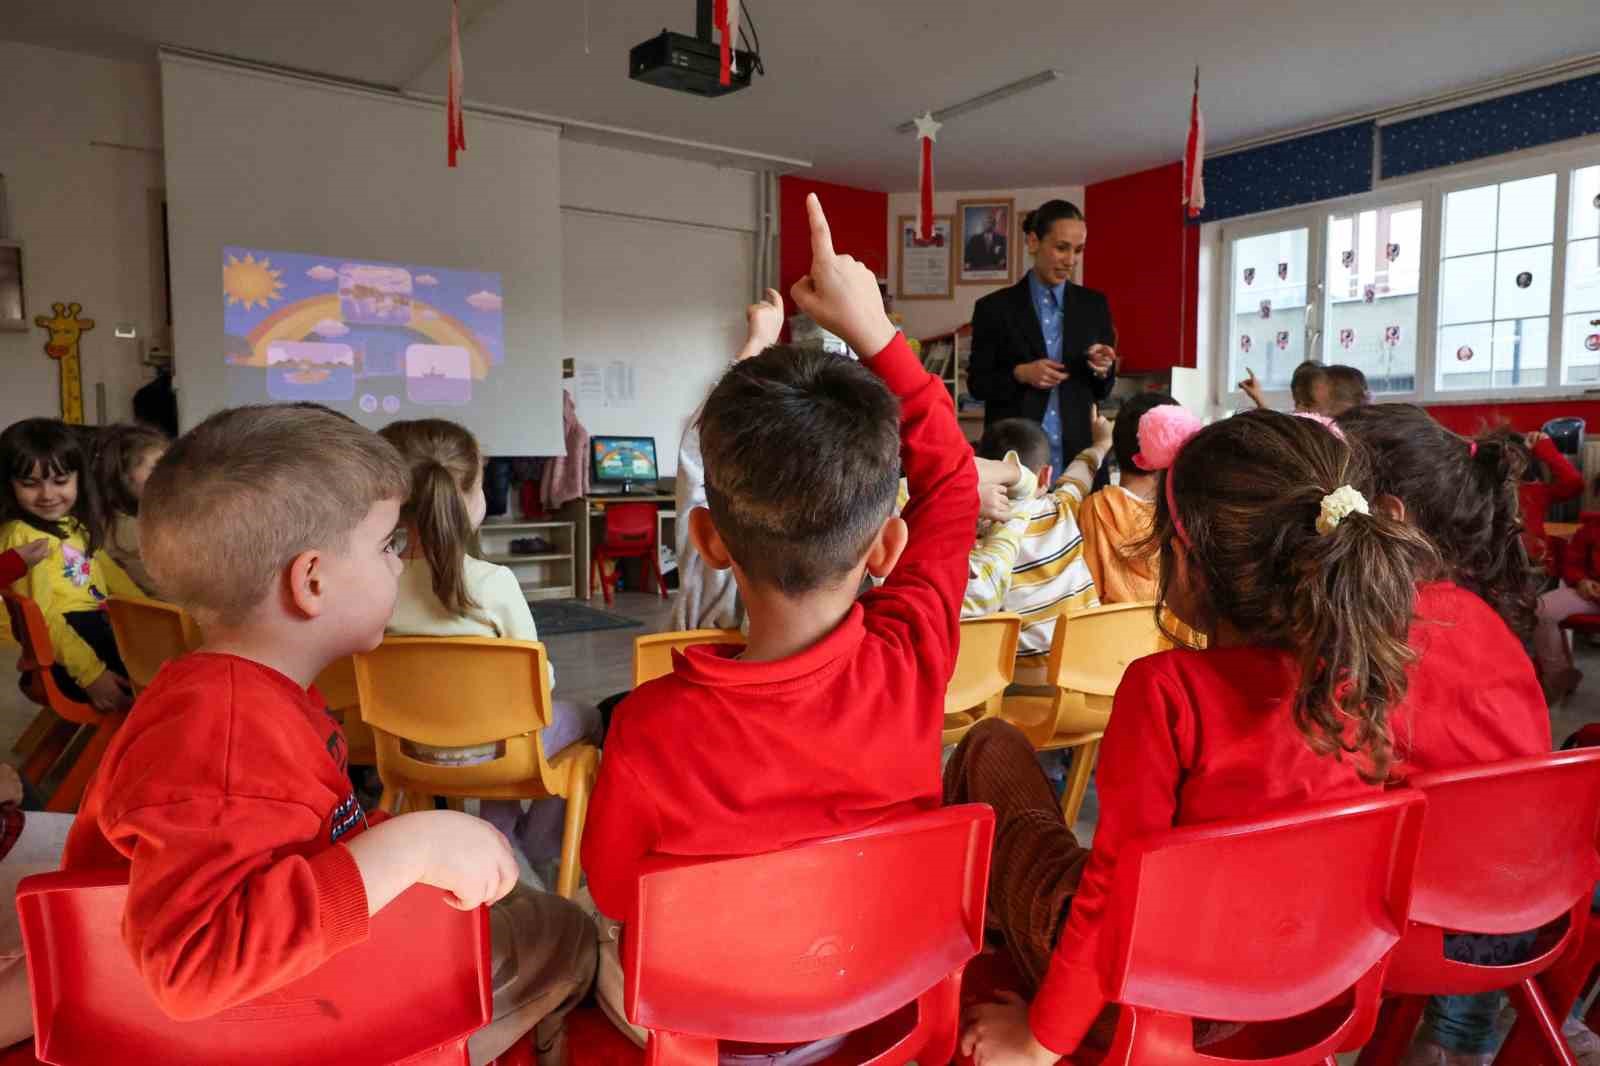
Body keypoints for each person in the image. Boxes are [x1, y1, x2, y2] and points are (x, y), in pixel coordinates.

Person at [59, 404, 595, 1066]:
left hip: (299, 977)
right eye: (386, 546)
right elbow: (194, 968)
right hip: (252, 1024)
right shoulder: (221, 733)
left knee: (511, 914)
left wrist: (398, 844)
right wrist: (412, 843)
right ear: (311, 581)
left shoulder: (248, 697)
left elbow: (313, 829)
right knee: (568, 934)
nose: (401, 565)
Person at [581, 194, 978, 1048]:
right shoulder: (913, 659)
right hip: (881, 1006)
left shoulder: (650, 726)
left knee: (583, 937)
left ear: (707, 541)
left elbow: (615, 894)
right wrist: (876, 333)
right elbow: (954, 486)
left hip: (718, 1037)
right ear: (886, 548)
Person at [952, 407, 1437, 1065]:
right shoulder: (1373, 673)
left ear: (1184, 561)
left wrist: (1040, 1041)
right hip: (1316, 982)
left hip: (1158, 1001)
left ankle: (1000, 972)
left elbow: (1115, 894)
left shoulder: (1167, 689)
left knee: (991, 747)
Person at [380, 417, 600, 876]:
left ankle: (501, 836)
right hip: (499, 752)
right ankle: (534, 846)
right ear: (469, 498)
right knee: (587, 717)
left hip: (406, 750)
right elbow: (540, 684)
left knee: (511, 731)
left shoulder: (377, 583)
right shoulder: (494, 583)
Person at [0, 417, 140, 712]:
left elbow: (116, 581)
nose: (48, 495)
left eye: (61, 481)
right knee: (167, 679)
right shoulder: (23, 537)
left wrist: (151, 616)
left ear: (79, 478)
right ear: (9, 485)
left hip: (95, 631)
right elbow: (43, 617)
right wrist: (92, 675)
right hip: (69, 659)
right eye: (30, 484)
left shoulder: (76, 526)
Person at [967, 200, 1116, 475]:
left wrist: (1103, 368)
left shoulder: (1095, 306)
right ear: (1033, 242)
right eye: (1061, 248)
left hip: (1080, 459)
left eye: (1078, 250)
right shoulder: (993, 308)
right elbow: (977, 384)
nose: (1070, 260)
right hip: (1014, 460)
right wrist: (1020, 374)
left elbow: (1103, 390)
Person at [972, 415, 1111, 684]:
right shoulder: (1062, 507)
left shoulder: (981, 533)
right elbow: (1083, 468)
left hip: (1024, 683)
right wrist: (1103, 442)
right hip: (1091, 673)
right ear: (1046, 474)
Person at [1077, 392, 1178, 603]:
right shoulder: (1181, 516)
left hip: (1110, 633)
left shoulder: (1094, 508)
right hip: (1171, 635)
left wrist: (1100, 444)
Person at [92, 422, 169, 595]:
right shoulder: (129, 533)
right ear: (122, 475)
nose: (170, 475)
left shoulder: (109, 523)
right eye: (156, 467)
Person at [1534, 507, 1600, 702]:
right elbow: (1573, 562)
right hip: (1592, 594)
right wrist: (1581, 581)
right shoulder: (1593, 526)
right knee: (1542, 608)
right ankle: (1560, 679)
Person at [1513, 429, 1584, 575]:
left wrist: (1545, 448)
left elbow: (1574, 483)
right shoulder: (1487, 491)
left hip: (1534, 566)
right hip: (1499, 568)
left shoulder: (1533, 490)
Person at [1237, 360, 1329, 413]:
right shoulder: (1294, 417)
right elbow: (1277, 426)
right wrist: (1258, 398)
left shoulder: (1328, 425)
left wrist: (1258, 399)